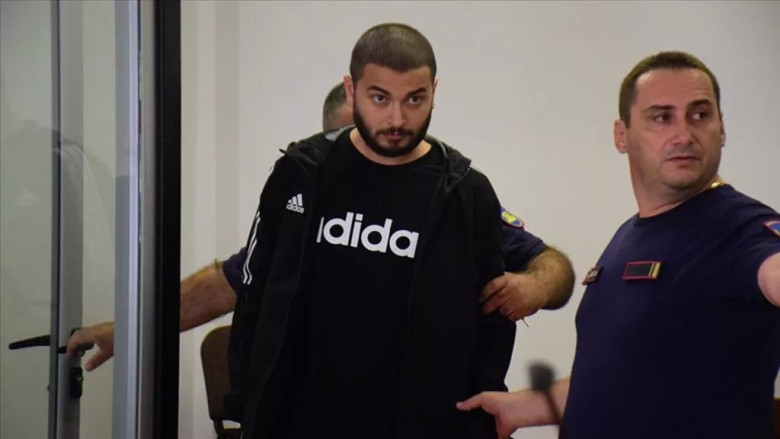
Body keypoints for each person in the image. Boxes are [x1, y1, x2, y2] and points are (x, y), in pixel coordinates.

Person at [67, 88, 575, 371]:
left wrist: (532, 286)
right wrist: (127, 332)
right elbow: (227, 283)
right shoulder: (302, 206)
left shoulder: (453, 201)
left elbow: (552, 266)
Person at [457, 51, 780, 438]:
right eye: (661, 117)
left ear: (721, 128)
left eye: (700, 114)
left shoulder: (742, 229)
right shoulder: (631, 235)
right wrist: (522, 408)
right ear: (621, 135)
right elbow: (620, 377)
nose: (684, 134)